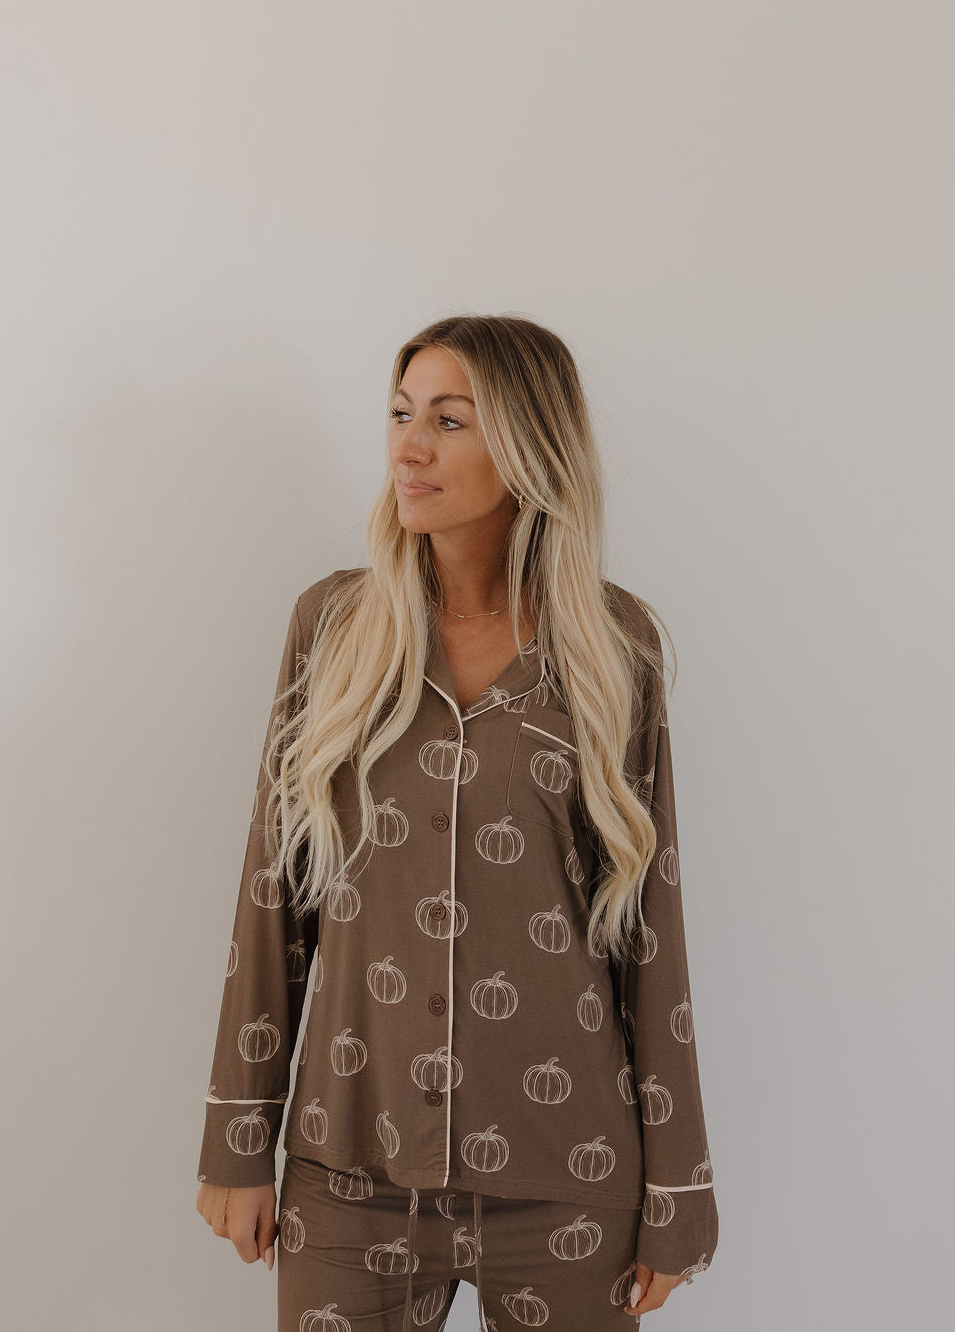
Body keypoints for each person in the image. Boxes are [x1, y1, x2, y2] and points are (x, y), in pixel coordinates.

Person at [195, 315, 719, 1330]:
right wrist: (236, 1136)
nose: (408, 448)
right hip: (352, 1165)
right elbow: (273, 895)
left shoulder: (616, 647)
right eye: (401, 415)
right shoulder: (333, 628)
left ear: (528, 446)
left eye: (448, 420)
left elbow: (650, 928)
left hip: (569, 1168)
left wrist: (680, 1183)